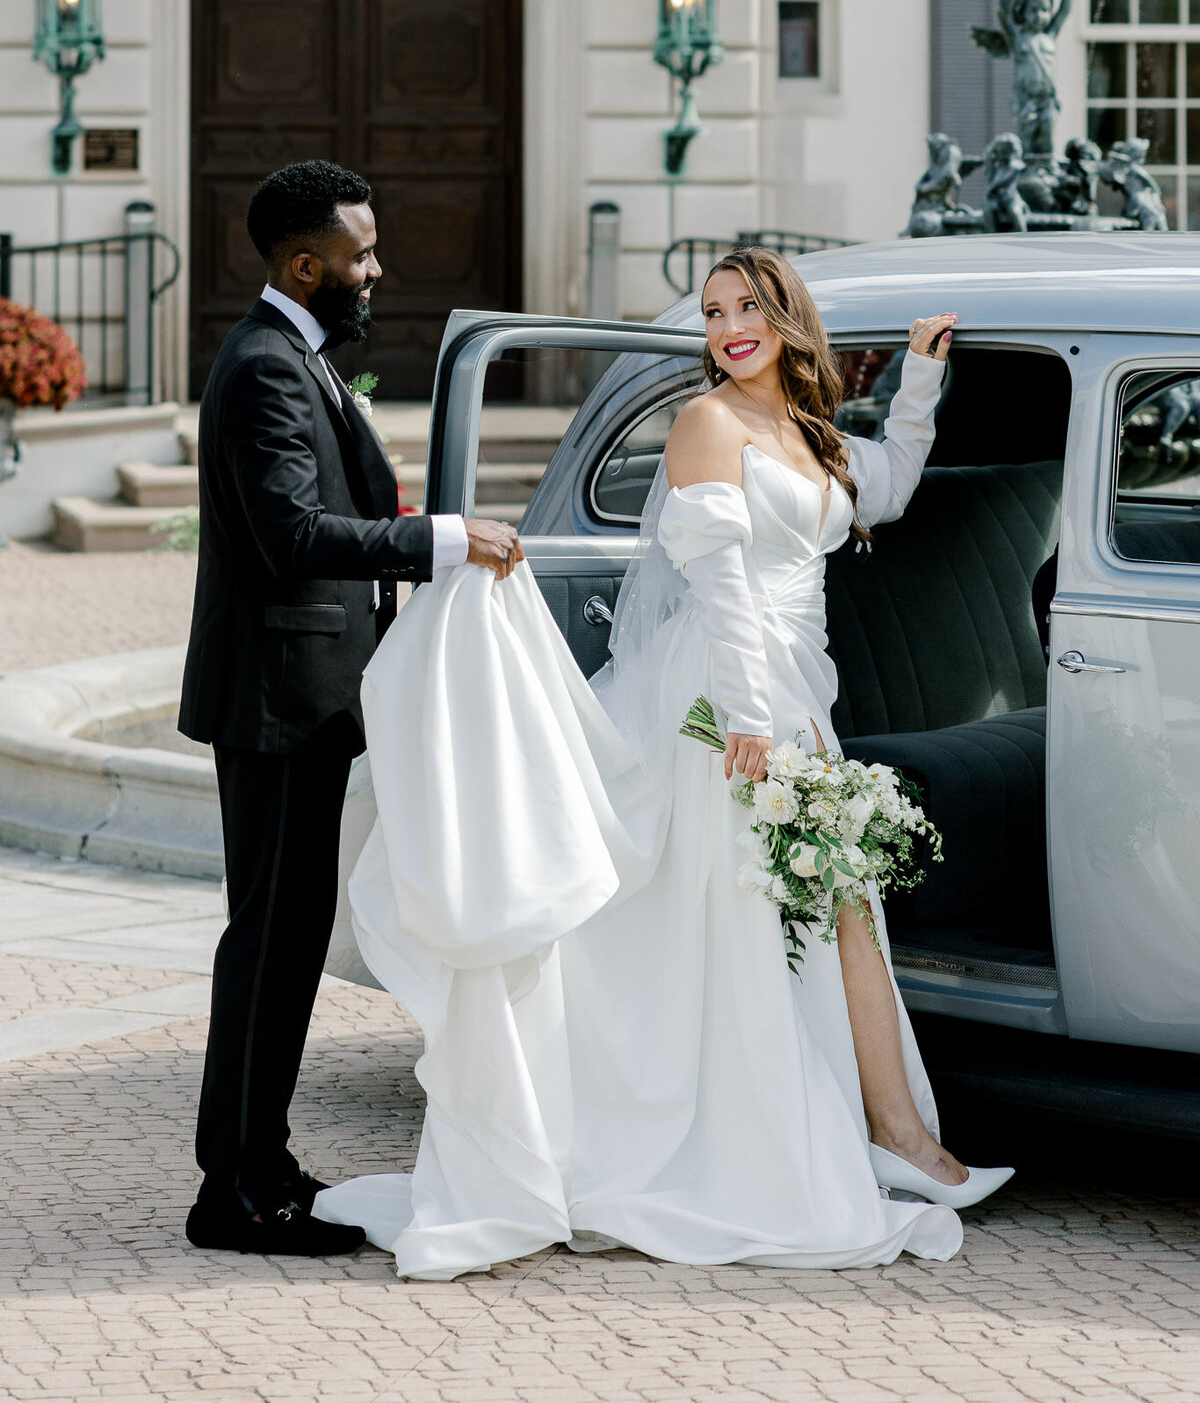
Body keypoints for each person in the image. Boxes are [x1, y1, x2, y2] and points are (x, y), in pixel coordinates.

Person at [316, 248, 1013, 1279]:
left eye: (749, 307)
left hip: (799, 697)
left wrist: (917, 379)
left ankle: (904, 1137)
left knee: (840, 908)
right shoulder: (707, 424)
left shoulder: (808, 430)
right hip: (722, 705)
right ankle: (827, 1141)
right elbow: (721, 580)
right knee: (746, 921)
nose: (730, 327)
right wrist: (745, 717)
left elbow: (894, 486)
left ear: (786, 321)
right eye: (716, 311)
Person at [179, 160, 522, 1257]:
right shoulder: (264, 371)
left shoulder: (298, 357)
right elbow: (290, 538)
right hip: (278, 701)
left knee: (284, 937)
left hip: (310, 698)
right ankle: (234, 1191)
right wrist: (442, 538)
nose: (377, 271)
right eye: (362, 255)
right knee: (270, 943)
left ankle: (260, 1164)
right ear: (306, 263)